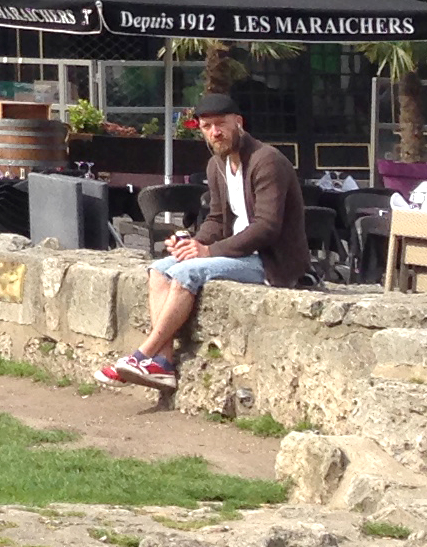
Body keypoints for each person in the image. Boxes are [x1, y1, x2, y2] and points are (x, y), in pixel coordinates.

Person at [104, 93, 308, 392]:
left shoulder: (268, 161)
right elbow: (216, 219)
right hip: (236, 255)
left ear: (239, 123)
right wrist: (192, 243)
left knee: (187, 273)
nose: (215, 132)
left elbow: (267, 227)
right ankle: (162, 364)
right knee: (160, 269)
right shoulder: (217, 165)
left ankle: (143, 354)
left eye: (221, 124)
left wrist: (208, 252)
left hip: (271, 261)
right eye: (207, 126)